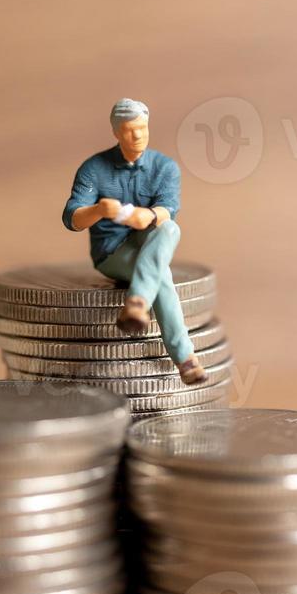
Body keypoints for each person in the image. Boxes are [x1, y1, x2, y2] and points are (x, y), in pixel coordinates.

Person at [62, 98, 207, 385]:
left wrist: (151, 215)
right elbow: (71, 218)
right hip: (112, 252)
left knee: (171, 229)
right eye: (129, 130)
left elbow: (169, 209)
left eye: (142, 128)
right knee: (160, 274)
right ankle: (186, 358)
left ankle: (137, 304)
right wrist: (98, 210)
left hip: (148, 240)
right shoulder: (94, 168)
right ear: (116, 132)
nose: (137, 135)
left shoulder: (164, 167)